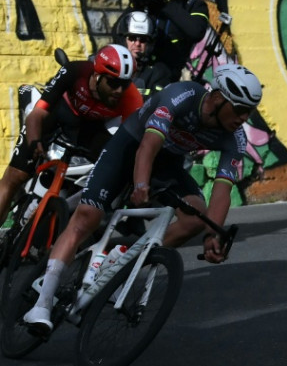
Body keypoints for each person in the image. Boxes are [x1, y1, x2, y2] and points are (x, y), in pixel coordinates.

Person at [22, 64, 263, 334]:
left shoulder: (235, 138)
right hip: (130, 145)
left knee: (195, 216)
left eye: (250, 111)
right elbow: (148, 146)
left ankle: (123, 258)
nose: (244, 117)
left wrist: (213, 235)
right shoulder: (182, 95)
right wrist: (140, 184)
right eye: (240, 109)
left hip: (167, 163)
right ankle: (41, 305)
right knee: (87, 217)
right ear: (218, 98)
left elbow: (222, 190)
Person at [0, 45, 142, 229]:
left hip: (91, 127)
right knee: (16, 175)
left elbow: (131, 143)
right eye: (113, 83)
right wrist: (34, 142)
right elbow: (37, 114)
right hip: (59, 114)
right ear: (97, 76)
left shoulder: (131, 98)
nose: (119, 91)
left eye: (125, 84)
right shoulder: (75, 71)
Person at [121, 0, 210, 81]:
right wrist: (135, 3)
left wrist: (165, 2)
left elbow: (196, 31)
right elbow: (118, 34)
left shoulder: (194, 5)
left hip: (169, 77)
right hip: (138, 74)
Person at [114, 10, 174, 97]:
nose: (137, 43)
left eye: (143, 39)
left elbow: (158, 101)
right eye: (132, 38)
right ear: (123, 40)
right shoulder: (112, 64)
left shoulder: (159, 72)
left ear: (150, 43)